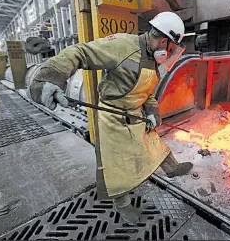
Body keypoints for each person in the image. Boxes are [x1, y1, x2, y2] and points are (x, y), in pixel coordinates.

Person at [27, 12, 193, 224]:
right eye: (170, 47)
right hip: (112, 116)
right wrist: (50, 78)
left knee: (154, 144)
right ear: (163, 41)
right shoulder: (123, 46)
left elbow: (147, 92)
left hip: (134, 114)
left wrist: (152, 112)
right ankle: (122, 205)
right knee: (114, 166)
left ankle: (172, 169)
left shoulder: (152, 58)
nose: (169, 52)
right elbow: (81, 52)